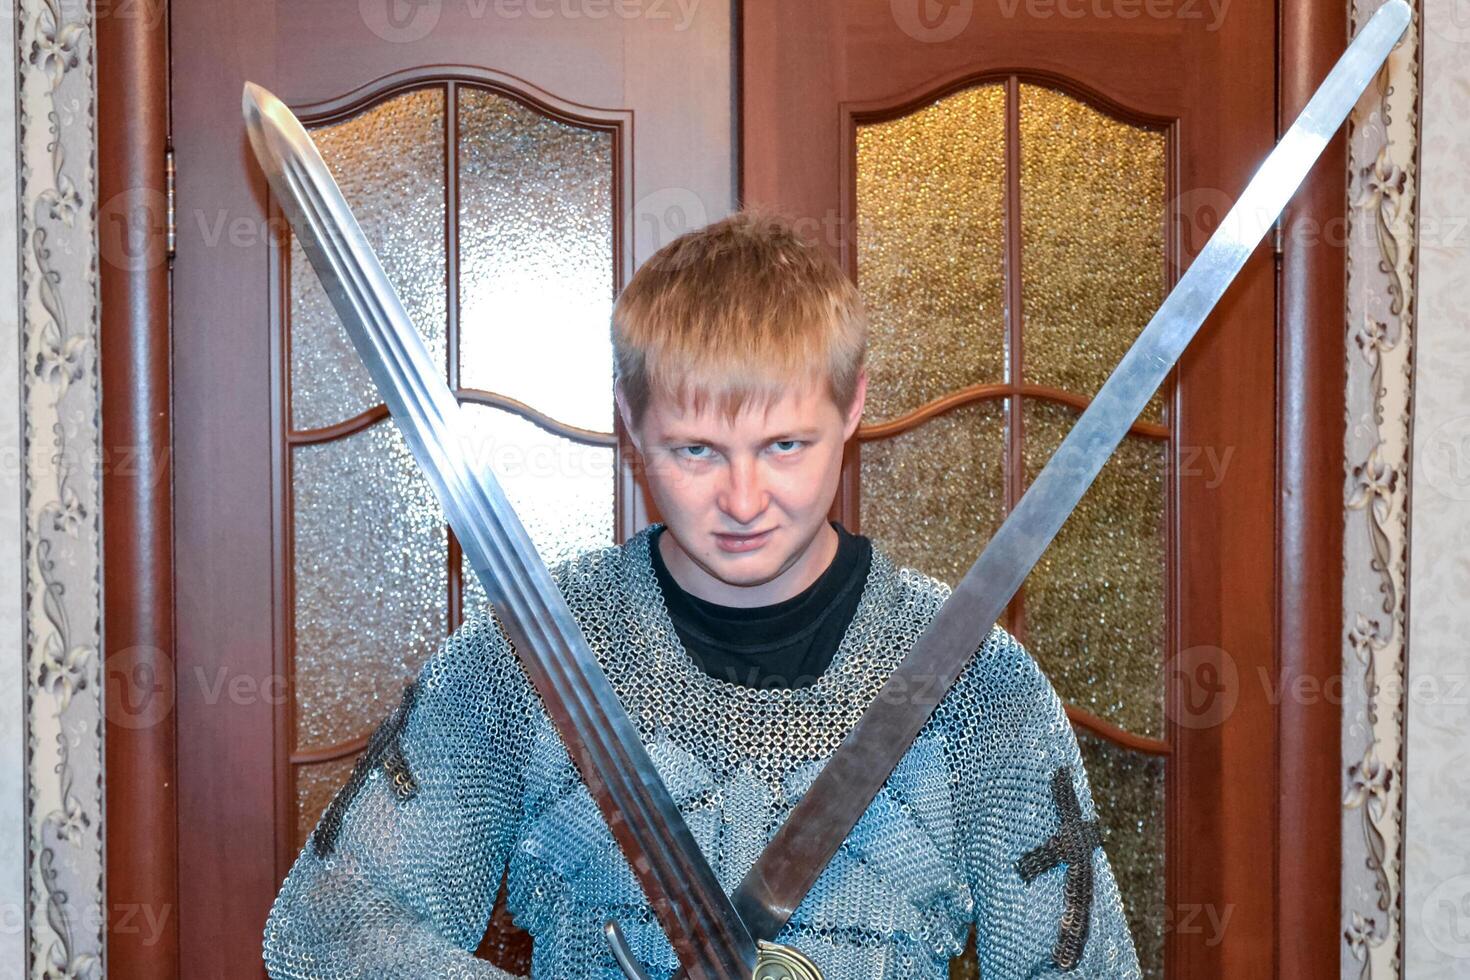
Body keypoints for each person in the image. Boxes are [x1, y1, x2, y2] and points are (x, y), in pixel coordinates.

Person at [261, 208, 1142, 979]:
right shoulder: (525, 661)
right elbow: (334, 928)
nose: (746, 499)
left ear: (854, 407)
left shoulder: (980, 688)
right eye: (697, 452)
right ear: (629, 421)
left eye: (786, 446)